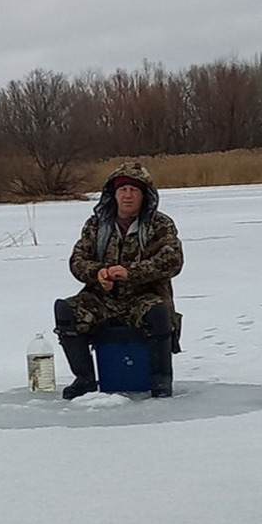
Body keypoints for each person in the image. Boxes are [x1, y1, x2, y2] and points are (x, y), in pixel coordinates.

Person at [53, 162, 184, 400]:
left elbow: (173, 261)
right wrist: (98, 273)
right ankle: (84, 379)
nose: (128, 195)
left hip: (144, 297)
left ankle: (161, 380)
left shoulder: (160, 224)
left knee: (159, 313)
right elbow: (77, 260)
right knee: (66, 310)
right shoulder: (96, 224)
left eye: (134, 190)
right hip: (102, 298)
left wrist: (131, 272)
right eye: (122, 190)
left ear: (145, 196)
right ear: (113, 194)